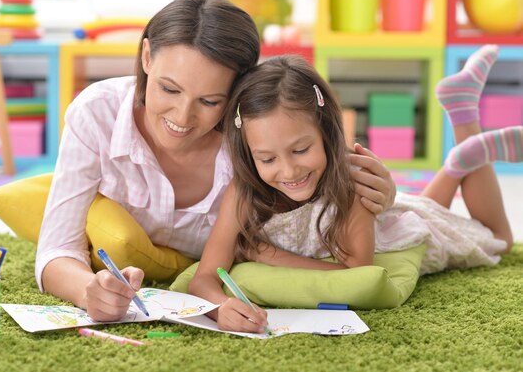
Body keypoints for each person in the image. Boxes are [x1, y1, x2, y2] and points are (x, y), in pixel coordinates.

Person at [36, 0, 397, 322]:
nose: (181, 116)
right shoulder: (96, 114)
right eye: (169, 88)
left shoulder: (255, 142)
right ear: (147, 57)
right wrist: (89, 292)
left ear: (237, 92)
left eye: (210, 101)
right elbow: (56, 248)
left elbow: (315, 186)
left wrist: (383, 195)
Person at [189, 47, 518, 334]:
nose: (288, 171)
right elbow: (203, 278)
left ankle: (464, 144)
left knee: (498, 239)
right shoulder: (244, 191)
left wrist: (272, 256)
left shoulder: (350, 184)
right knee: (430, 205)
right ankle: (459, 152)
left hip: (402, 233)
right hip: (398, 211)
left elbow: (356, 275)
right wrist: (219, 307)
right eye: (268, 158)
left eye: (301, 150)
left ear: (326, 133)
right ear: (249, 154)